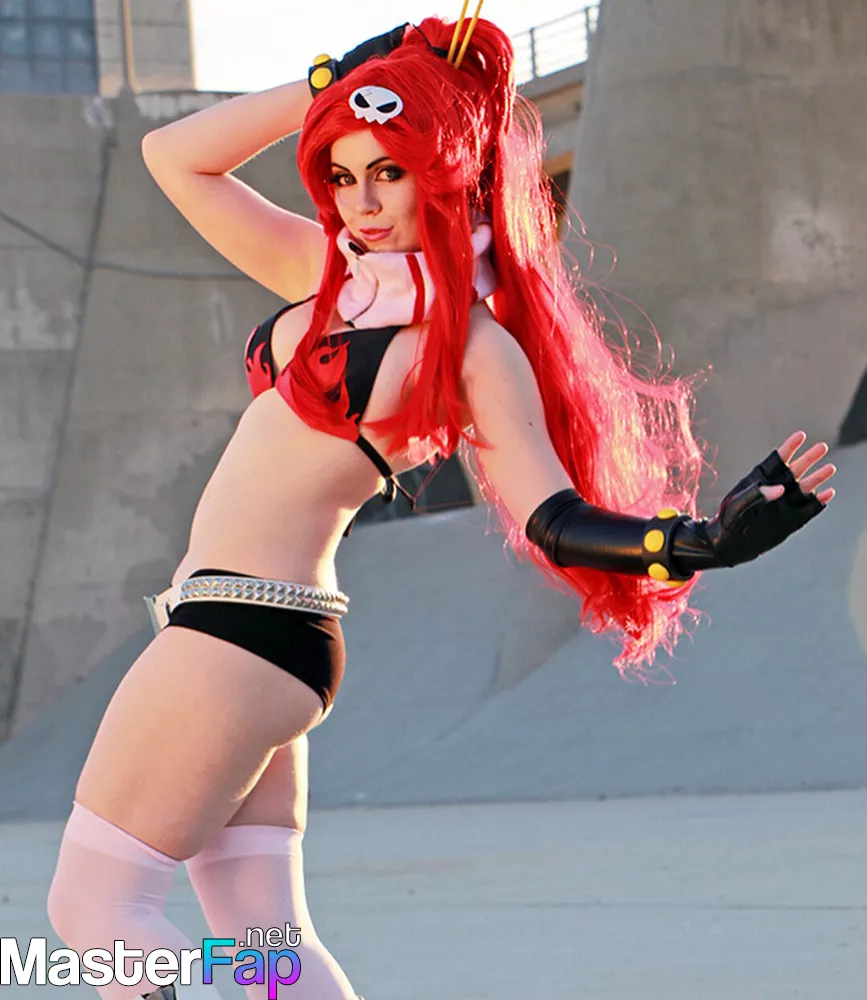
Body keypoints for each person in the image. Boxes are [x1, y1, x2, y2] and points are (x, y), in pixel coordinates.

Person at [45, 11, 836, 1000]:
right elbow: (174, 159)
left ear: (445, 172)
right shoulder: (333, 282)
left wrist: (702, 542)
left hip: (236, 634)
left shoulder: (468, 345)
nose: (363, 202)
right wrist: (333, 78)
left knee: (93, 907)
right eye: (343, 175)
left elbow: (551, 515)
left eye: (390, 172)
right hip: (265, 639)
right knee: (267, 945)